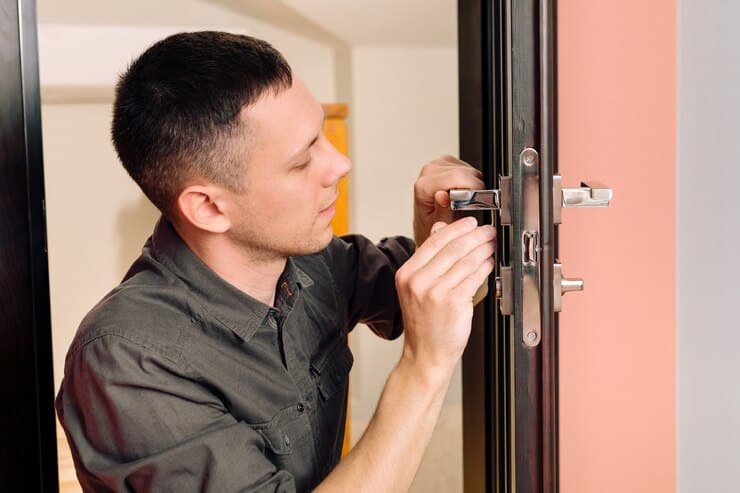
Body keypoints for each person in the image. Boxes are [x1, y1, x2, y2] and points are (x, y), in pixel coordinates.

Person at [56, 31, 495, 492]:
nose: (340, 164)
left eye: (321, 135)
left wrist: (444, 229)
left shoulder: (314, 262)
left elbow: (443, 300)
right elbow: (432, 342)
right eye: (302, 161)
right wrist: (424, 368)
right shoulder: (129, 363)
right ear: (208, 207)